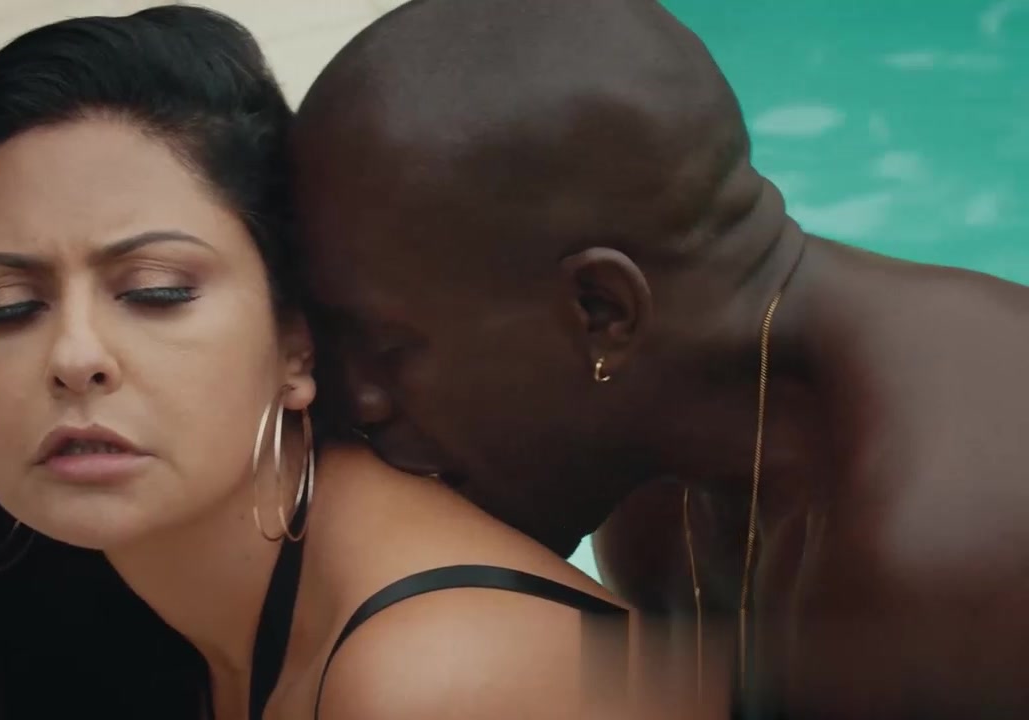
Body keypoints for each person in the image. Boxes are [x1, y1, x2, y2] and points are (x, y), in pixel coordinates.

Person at [0, 6, 639, 720]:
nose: (75, 356)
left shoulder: (434, 676)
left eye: (154, 291)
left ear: (296, 338)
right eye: (8, 306)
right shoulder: (121, 608)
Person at [290, 0, 1029, 717]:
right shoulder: (649, 476)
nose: (355, 399)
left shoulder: (955, 555)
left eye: (387, 349)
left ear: (600, 311)